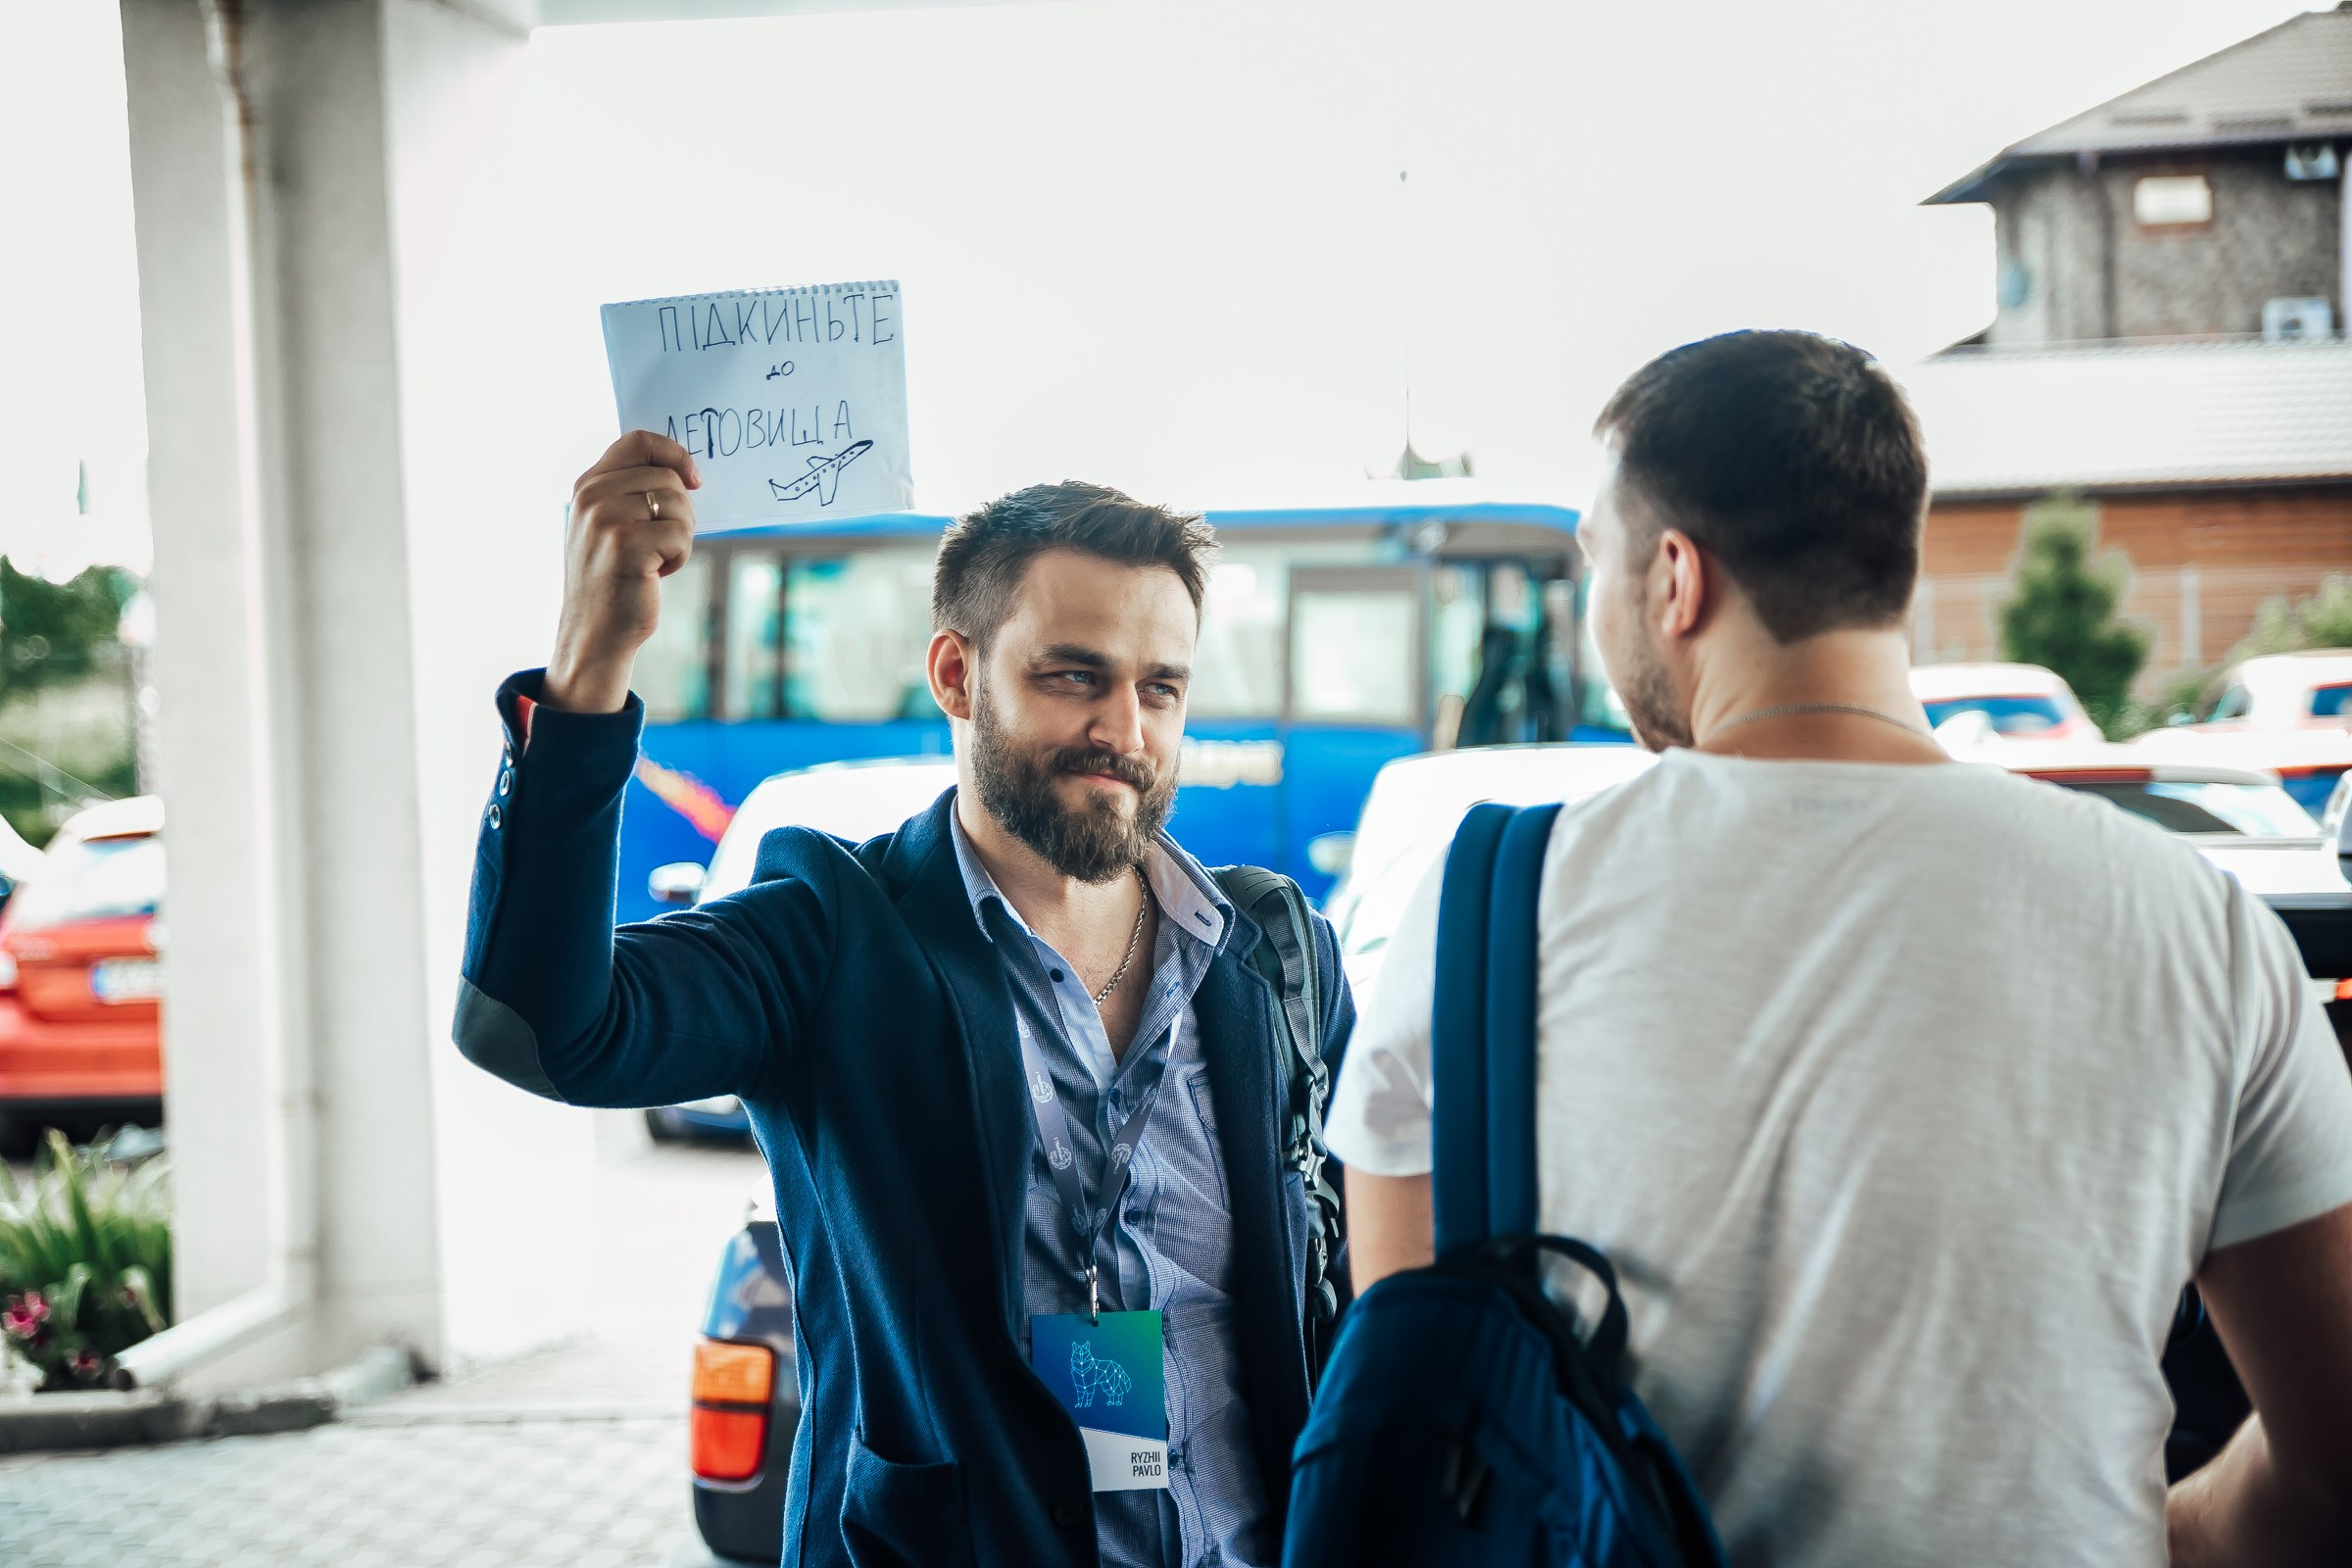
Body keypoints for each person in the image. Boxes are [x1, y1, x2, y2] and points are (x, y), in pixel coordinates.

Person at [1325, 330, 2352, 1567]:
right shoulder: (2196, 924)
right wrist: (2162, 1530)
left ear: (1673, 579)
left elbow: (1408, 1428)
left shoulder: (1486, 903)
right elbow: (2336, 1456)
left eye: (1594, 559)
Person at [454, 432, 1351, 1568]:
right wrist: (591, 667)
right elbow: (539, 1027)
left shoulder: (1271, 952)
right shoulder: (831, 932)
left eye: (1159, 688)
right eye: (1073, 674)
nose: (1124, 732)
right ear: (955, 674)